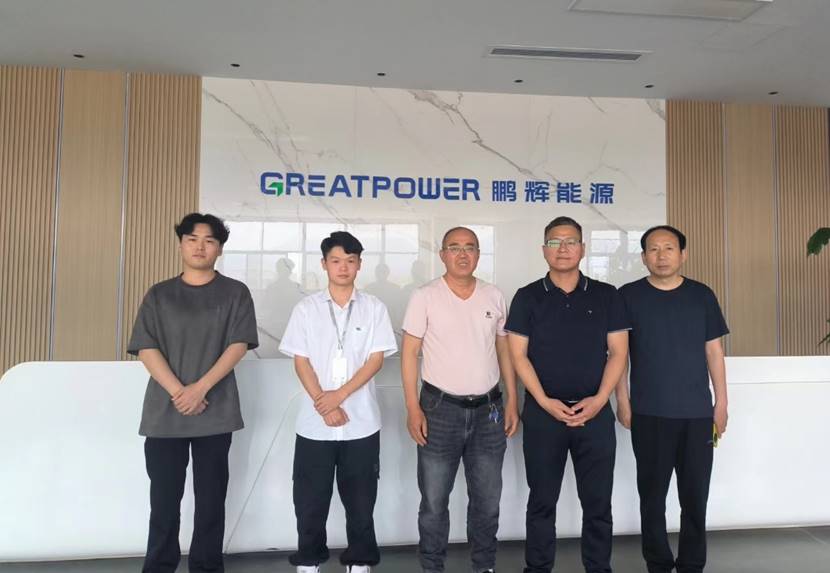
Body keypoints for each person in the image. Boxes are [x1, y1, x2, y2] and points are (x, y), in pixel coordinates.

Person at [128, 212, 259, 573]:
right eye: (192, 239)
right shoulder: (160, 294)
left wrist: (199, 389)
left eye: (209, 241)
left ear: (220, 249)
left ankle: (206, 567)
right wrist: (179, 392)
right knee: (163, 501)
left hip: (215, 411)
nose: (200, 247)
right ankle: (159, 566)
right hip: (164, 414)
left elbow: (238, 344)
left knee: (211, 501)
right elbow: (146, 347)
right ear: (181, 244)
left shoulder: (235, 293)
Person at [506, 216, 629, 573]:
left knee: (598, 503)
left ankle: (599, 568)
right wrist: (544, 402)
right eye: (555, 242)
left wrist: (601, 399)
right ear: (544, 249)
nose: (563, 249)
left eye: (571, 241)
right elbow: (518, 355)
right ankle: (537, 568)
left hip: (595, 414)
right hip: (543, 415)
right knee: (542, 502)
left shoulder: (607, 295)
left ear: (583, 249)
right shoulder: (527, 297)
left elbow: (619, 353)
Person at [401, 226, 520, 573]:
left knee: (487, 501)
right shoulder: (425, 296)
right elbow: (409, 354)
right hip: (439, 410)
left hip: (489, 411)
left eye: (470, 247)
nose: (463, 254)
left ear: (479, 254)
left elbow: (504, 349)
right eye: (454, 247)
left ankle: (484, 566)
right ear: (442, 255)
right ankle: (432, 567)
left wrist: (512, 400)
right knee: (434, 502)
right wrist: (412, 407)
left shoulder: (493, 295)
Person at [280, 231, 397, 573]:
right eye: (335, 260)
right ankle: (309, 560)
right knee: (310, 499)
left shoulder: (374, 308)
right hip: (314, 423)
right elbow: (301, 360)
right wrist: (324, 403)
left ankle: (359, 561)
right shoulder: (306, 309)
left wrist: (338, 397)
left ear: (360, 265)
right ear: (323, 264)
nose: (343, 267)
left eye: (350, 260)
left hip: (361, 421)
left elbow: (375, 360)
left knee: (361, 499)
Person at [615, 225, 729, 573]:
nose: (661, 255)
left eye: (668, 248)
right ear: (643, 256)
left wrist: (721, 403)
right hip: (649, 413)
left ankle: (692, 563)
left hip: (697, 415)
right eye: (653, 249)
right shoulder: (628, 296)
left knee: (695, 496)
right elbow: (619, 355)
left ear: (683, 254)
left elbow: (714, 351)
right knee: (652, 497)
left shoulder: (702, 295)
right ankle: (658, 562)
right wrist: (623, 401)